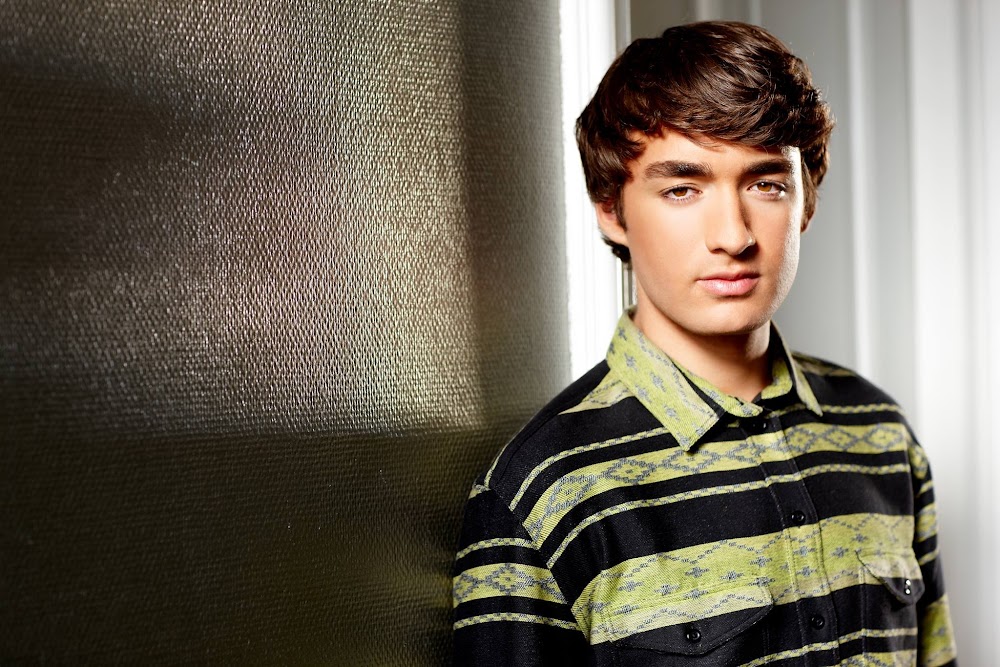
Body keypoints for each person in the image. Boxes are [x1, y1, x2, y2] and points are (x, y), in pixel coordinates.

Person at [451, 20, 957, 667]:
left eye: (766, 184)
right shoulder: (539, 492)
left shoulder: (879, 432)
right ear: (611, 207)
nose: (733, 235)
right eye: (683, 189)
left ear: (806, 200)